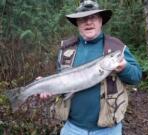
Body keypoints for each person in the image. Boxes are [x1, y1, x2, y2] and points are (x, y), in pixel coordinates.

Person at [40, 0, 142, 135]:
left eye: (93, 17)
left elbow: (136, 77)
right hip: (72, 128)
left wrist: (124, 68)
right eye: (83, 19)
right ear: (77, 23)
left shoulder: (117, 47)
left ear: (100, 21)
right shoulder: (66, 48)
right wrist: (46, 86)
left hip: (109, 130)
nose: (88, 22)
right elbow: (62, 78)